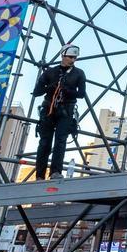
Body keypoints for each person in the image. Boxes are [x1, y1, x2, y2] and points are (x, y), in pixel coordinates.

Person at [32, 44, 86, 180]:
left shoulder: (79, 73)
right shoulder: (50, 72)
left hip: (66, 111)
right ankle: (39, 174)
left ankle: (55, 172)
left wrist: (66, 90)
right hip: (49, 109)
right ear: (63, 55)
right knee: (45, 142)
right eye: (70, 57)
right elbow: (37, 92)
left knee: (60, 142)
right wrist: (49, 88)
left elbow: (81, 94)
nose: (73, 60)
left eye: (75, 58)